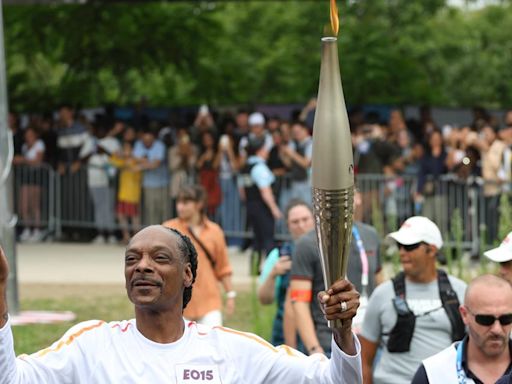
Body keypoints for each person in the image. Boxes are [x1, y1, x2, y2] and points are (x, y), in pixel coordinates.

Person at [0, 226, 363, 383]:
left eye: (159, 258)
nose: (142, 266)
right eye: (132, 259)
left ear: (187, 275)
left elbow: (332, 381)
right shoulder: (91, 345)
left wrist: (343, 332)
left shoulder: (231, 350)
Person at [359, 216, 467, 384]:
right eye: (399, 246)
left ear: (431, 250)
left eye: (409, 246)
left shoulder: (461, 291)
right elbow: (364, 360)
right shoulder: (382, 294)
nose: (402, 252)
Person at [289, 191, 383, 356]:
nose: (341, 204)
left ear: (358, 198)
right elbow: (299, 302)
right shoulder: (307, 244)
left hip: (369, 342)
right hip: (329, 344)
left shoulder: (370, 235)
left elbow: (380, 286)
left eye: (347, 196)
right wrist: (314, 349)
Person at [411, 274, 512, 384]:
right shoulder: (432, 374)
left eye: (506, 319)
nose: (496, 329)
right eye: (485, 320)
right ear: (464, 315)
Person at [163, 185, 234, 326]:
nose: (180, 207)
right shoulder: (168, 229)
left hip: (209, 302)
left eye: (185, 203)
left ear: (199, 204)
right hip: (178, 303)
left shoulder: (215, 231)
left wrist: (231, 295)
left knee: (211, 346)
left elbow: (223, 267)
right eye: (178, 202)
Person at [258, 199, 314, 349]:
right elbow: (264, 299)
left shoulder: (327, 254)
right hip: (286, 336)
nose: (301, 226)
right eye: (295, 222)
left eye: (305, 220)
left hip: (319, 333)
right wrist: (273, 274)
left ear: (314, 220)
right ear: (288, 226)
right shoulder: (279, 255)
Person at [238, 136, 282, 267]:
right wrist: (274, 209)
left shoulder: (245, 166)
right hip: (262, 207)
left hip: (251, 205)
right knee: (268, 238)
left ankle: (254, 269)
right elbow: (265, 191)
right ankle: (272, 269)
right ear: (260, 150)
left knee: (257, 239)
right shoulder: (259, 167)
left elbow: (242, 192)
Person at [133, 127, 169, 225]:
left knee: (164, 210)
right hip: (148, 184)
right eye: (145, 140)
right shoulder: (138, 144)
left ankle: (166, 234)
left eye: (149, 140)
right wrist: (149, 162)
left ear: (154, 139)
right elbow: (136, 159)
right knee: (150, 211)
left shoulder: (160, 145)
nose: (147, 142)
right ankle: (152, 235)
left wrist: (141, 165)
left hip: (162, 184)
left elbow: (156, 164)